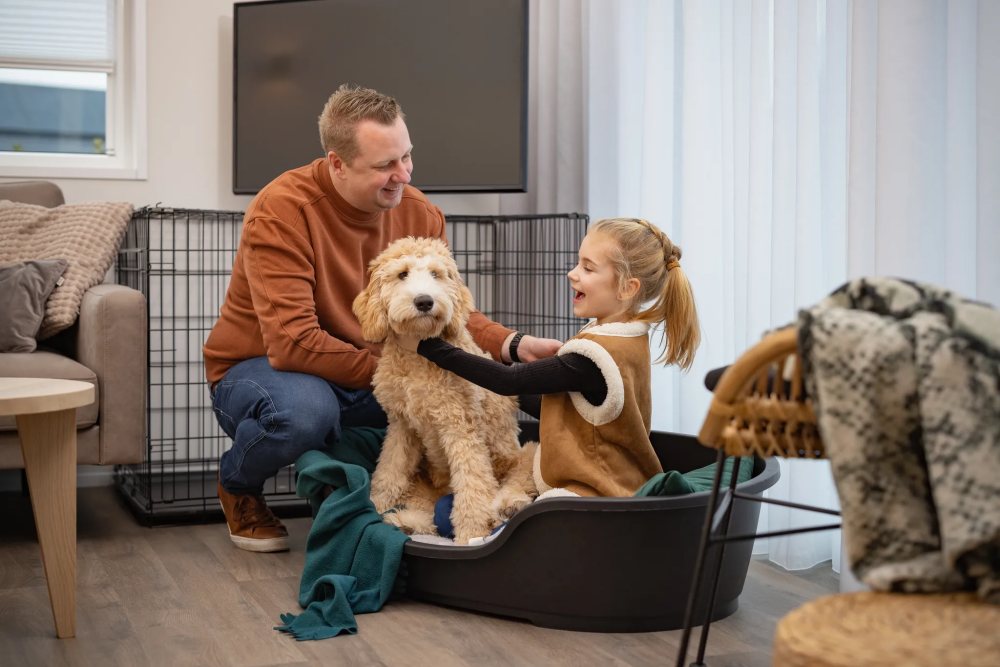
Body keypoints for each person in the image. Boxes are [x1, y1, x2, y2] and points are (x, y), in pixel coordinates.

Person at [203, 84, 561, 552]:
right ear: (337, 164)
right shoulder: (281, 211)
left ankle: (400, 499)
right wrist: (402, 374)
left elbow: (448, 311)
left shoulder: (419, 211)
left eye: (406, 156)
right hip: (265, 368)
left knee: (442, 408)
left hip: (371, 368)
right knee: (307, 413)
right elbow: (293, 342)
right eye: (385, 165)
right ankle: (238, 484)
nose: (403, 174)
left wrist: (512, 345)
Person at [399, 217, 701, 498]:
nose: (572, 273)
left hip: (595, 491)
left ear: (627, 288)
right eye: (578, 263)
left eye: (588, 268)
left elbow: (509, 381)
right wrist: (495, 385)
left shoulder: (593, 356)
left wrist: (428, 347)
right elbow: (557, 409)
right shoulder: (627, 339)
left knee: (446, 511)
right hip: (623, 480)